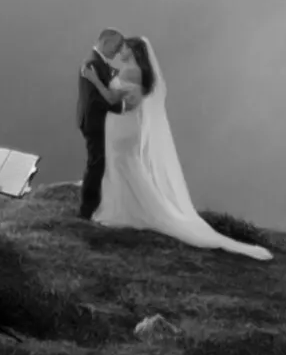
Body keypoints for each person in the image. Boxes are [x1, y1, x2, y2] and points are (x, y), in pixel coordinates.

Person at [93, 35, 273, 260]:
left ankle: (126, 209)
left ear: (135, 51)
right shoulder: (140, 72)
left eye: (126, 48)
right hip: (130, 127)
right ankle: (127, 206)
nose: (122, 50)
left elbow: (117, 99)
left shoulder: (130, 72)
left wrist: (96, 81)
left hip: (123, 125)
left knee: (121, 163)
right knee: (126, 164)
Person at [77, 29, 131, 220]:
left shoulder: (97, 63)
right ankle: (87, 210)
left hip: (93, 120)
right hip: (94, 122)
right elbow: (98, 99)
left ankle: (93, 204)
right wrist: (122, 106)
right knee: (96, 164)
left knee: (98, 162)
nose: (116, 52)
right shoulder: (93, 64)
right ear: (106, 43)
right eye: (115, 47)